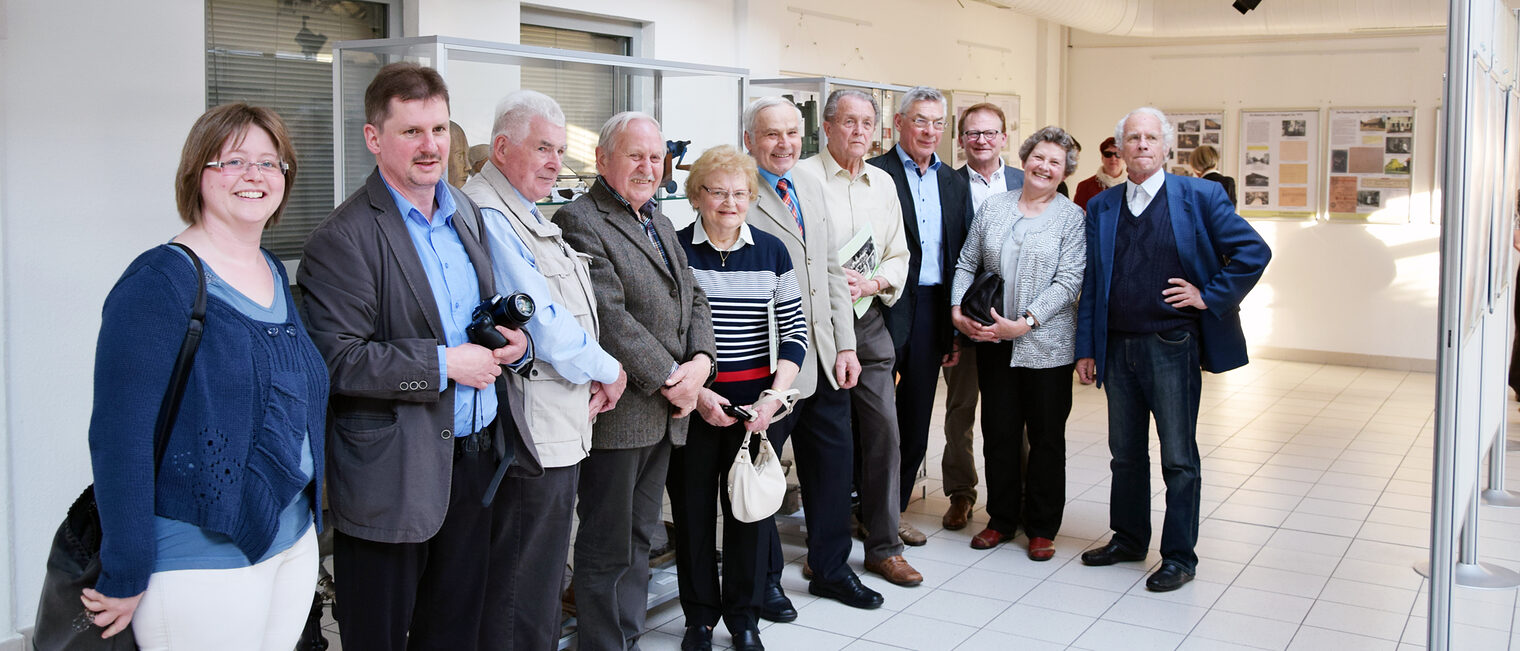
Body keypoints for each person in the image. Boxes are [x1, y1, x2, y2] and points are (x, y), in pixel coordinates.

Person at [298, 62, 538, 651]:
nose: (430, 146)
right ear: (374, 138)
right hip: (394, 473)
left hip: (476, 459)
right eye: (411, 131)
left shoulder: (464, 212)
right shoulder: (343, 238)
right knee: (378, 634)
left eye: (438, 129)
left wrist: (516, 342)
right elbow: (337, 360)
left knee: (454, 629)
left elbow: (478, 315)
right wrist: (444, 366)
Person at [82, 103, 327, 650]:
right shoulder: (159, 282)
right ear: (197, 174)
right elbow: (119, 438)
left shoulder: (271, 271)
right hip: (197, 557)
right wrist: (125, 570)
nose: (254, 176)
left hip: (290, 540)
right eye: (233, 161)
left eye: (270, 163)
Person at [1075, 107, 1270, 592]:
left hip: (1172, 344)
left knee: (1178, 458)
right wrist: (1086, 347)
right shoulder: (1102, 206)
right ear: (1119, 150)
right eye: (1132, 138)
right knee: (1125, 453)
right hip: (1117, 347)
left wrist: (1210, 296)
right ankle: (1129, 538)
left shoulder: (1199, 197)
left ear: (1165, 149)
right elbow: (1093, 281)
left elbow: (1254, 251)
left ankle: (1179, 555)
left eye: (1150, 138)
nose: (1141, 145)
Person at [462, 89, 628, 650]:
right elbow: (546, 322)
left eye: (560, 150)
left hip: (559, 420)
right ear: (503, 148)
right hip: (532, 430)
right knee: (523, 582)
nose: (555, 161)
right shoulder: (490, 214)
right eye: (542, 148)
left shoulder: (524, 210)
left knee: (542, 575)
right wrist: (610, 369)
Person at [557, 111, 716, 651]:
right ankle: (603, 644)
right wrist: (674, 377)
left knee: (639, 543)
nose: (649, 167)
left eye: (656, 157)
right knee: (606, 547)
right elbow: (608, 314)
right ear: (602, 161)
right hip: (621, 413)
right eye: (635, 155)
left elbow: (692, 296)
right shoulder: (580, 219)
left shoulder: (660, 218)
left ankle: (624, 637)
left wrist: (700, 364)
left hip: (665, 413)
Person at [670, 144, 807, 651]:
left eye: (740, 193)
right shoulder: (676, 249)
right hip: (691, 401)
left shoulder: (773, 250)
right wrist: (700, 394)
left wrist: (772, 400)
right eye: (717, 192)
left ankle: (744, 620)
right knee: (693, 513)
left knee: (750, 514)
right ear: (696, 195)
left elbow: (795, 333)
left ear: (752, 197)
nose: (730, 202)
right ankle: (699, 619)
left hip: (755, 406)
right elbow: (669, 334)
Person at [740, 96, 869, 618]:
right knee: (765, 475)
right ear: (750, 139)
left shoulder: (808, 185)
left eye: (792, 133)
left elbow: (832, 272)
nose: (784, 144)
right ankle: (765, 581)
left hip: (824, 357)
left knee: (834, 472)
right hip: (773, 367)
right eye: (772, 134)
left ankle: (833, 572)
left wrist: (846, 344)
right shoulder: (739, 195)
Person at [796, 88, 919, 590]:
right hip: (815, 323)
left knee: (884, 433)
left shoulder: (884, 183)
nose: (859, 131)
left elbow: (899, 254)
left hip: (867, 321)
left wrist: (871, 283)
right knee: (826, 441)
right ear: (827, 126)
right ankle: (826, 551)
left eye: (868, 122)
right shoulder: (801, 177)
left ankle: (884, 547)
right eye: (849, 121)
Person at [950, 126, 1085, 561]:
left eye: (1055, 163)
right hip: (992, 342)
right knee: (1000, 433)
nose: (1044, 167)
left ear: (1064, 172)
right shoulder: (994, 207)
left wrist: (1025, 323)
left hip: (1047, 347)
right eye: (1038, 158)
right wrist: (957, 310)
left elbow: (1068, 282)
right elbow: (968, 261)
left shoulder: (1071, 218)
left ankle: (1042, 526)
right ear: (1024, 159)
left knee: (1046, 438)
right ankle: (1001, 519)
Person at [867, 86, 971, 545]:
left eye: (938, 123)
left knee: (915, 418)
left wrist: (953, 327)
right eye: (921, 121)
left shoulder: (953, 181)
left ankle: (893, 513)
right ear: (899, 125)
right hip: (883, 307)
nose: (930, 131)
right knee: (870, 416)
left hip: (932, 310)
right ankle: (860, 507)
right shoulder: (875, 174)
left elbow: (959, 255)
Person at [941, 102, 1027, 531]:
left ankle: (1018, 498)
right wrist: (952, 324)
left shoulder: (1026, 182)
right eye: (973, 134)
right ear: (960, 140)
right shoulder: (944, 184)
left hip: (1017, 322)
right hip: (965, 320)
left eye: (990, 133)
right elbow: (942, 258)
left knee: (1017, 412)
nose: (982, 141)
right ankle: (961, 493)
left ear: (1005, 137)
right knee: (961, 409)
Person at [1072, 137, 1125, 211]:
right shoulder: (1085, 186)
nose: (1113, 158)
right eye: (1108, 154)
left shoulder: (1133, 186)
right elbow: (1077, 218)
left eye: (1118, 154)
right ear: (1102, 157)